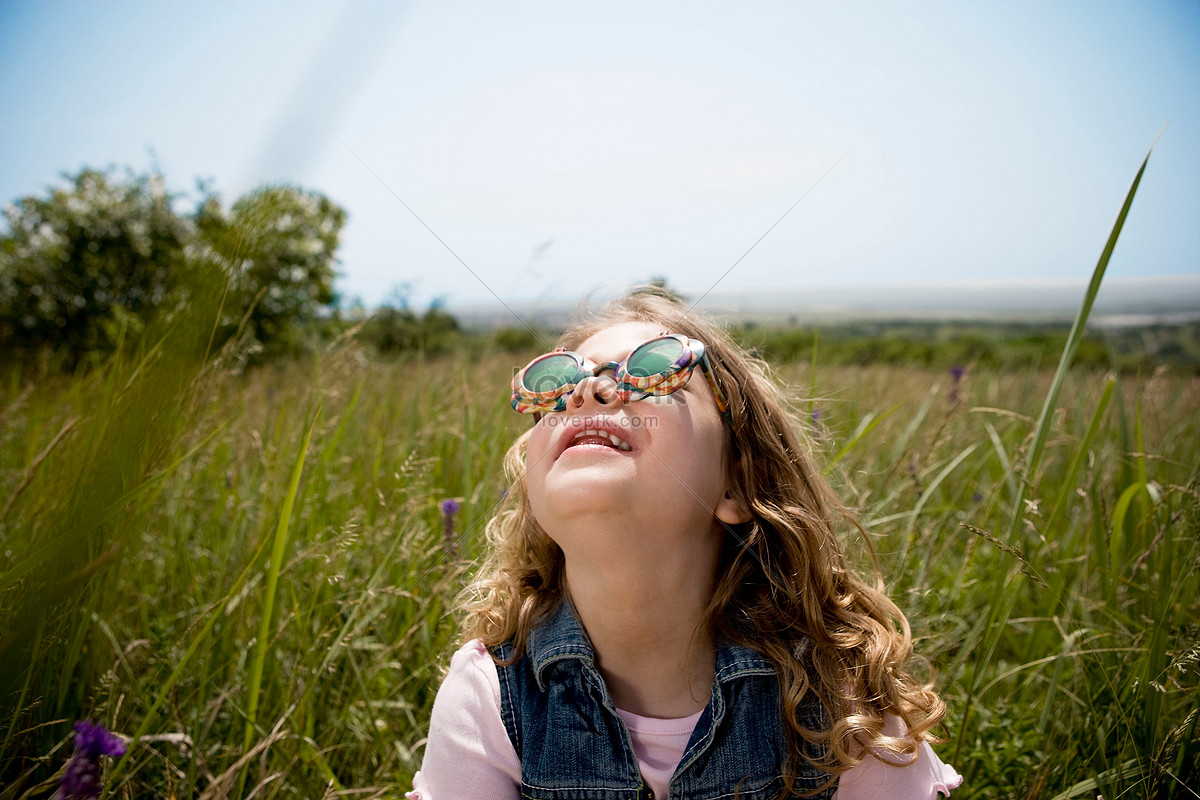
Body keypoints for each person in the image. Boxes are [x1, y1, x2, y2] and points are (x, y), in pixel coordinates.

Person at [407, 289, 962, 799]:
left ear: (737, 484)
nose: (587, 391)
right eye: (557, 382)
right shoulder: (489, 698)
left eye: (651, 370)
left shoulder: (841, 703)